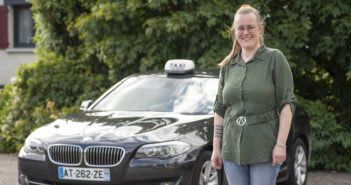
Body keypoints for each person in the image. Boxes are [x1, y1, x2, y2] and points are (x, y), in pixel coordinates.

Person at [211, 4, 295, 185]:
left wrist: (281, 144)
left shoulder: (275, 59)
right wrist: (216, 147)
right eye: (240, 28)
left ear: (260, 29)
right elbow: (219, 109)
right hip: (231, 149)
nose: (245, 32)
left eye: (250, 27)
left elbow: (286, 104)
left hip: (264, 147)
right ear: (235, 32)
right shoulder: (228, 65)